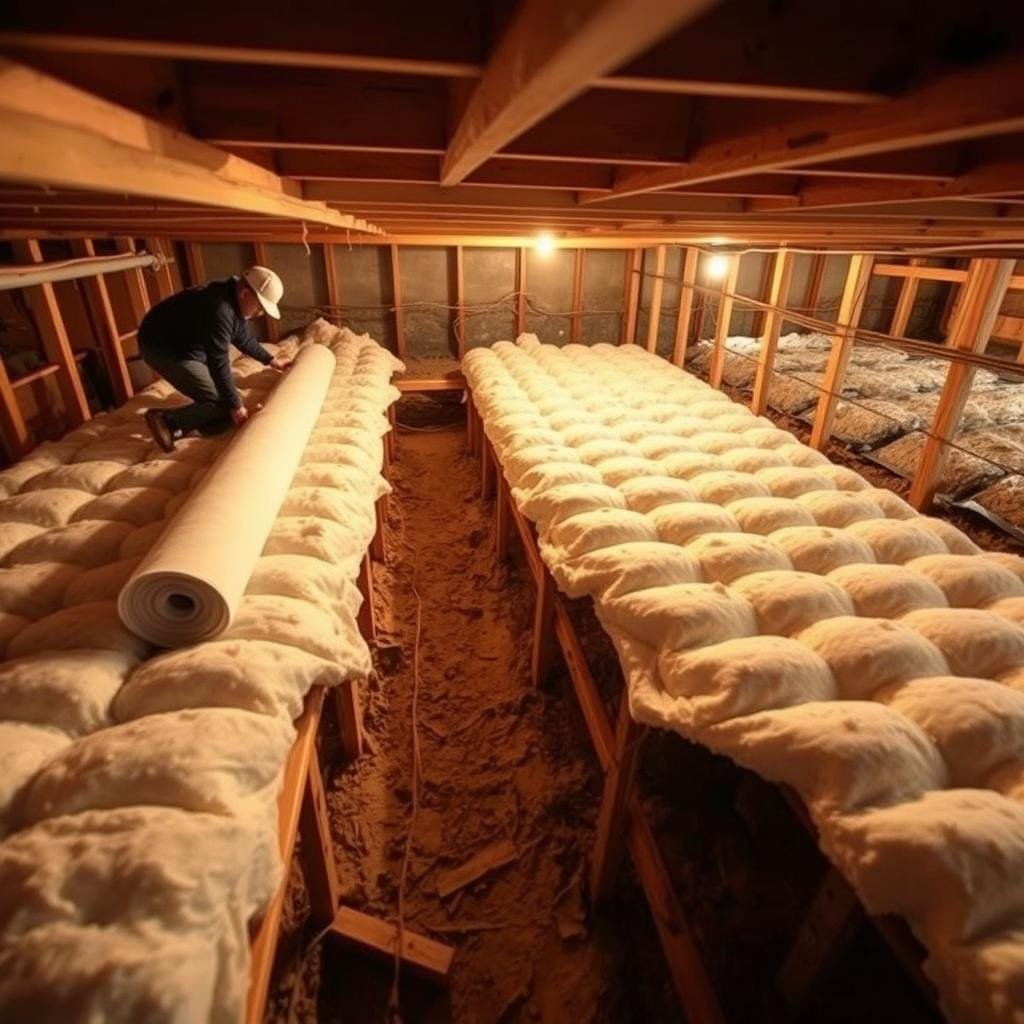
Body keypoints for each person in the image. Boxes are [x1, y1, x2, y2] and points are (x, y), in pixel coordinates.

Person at [139, 266, 293, 452]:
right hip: (163, 348)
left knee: (227, 407)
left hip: (186, 347)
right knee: (223, 403)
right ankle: (167, 422)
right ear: (245, 293)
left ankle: (192, 420)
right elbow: (218, 362)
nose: (260, 313)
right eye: (260, 306)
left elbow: (242, 337)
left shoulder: (232, 300)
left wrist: (272, 360)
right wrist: (236, 406)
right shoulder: (220, 308)